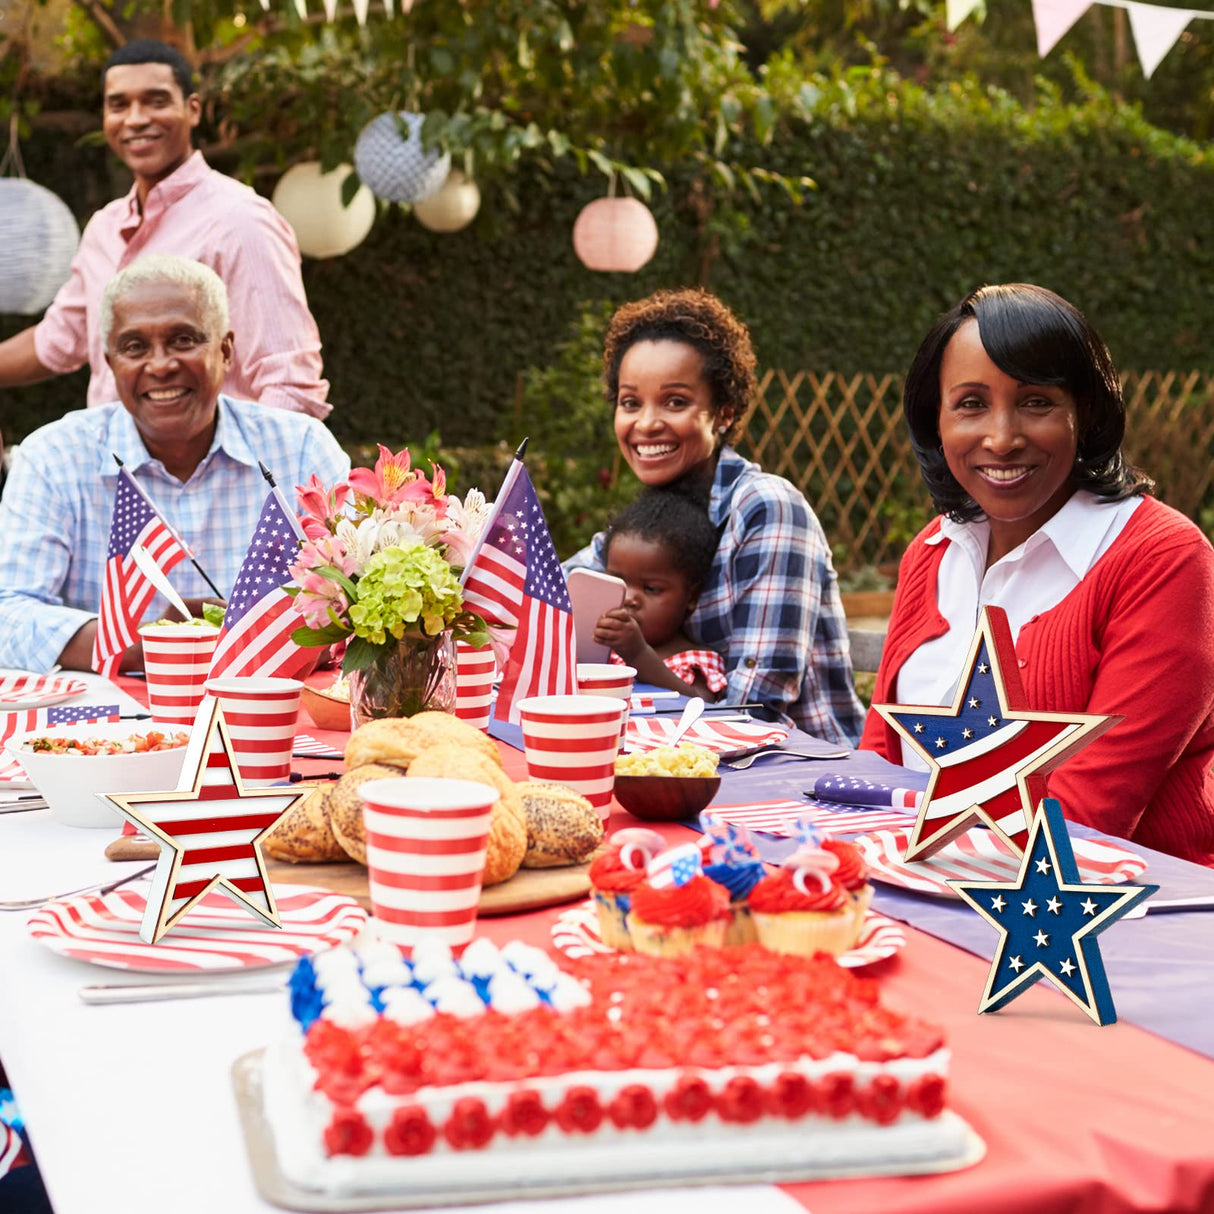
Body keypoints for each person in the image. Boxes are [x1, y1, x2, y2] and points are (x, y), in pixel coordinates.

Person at [860, 282, 1214, 866]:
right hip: (917, 885)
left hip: (1103, 920)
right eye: (971, 404)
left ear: (1087, 412)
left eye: (1036, 402)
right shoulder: (932, 549)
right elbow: (877, 763)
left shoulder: (1162, 559)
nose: (1002, 438)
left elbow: (1088, 815)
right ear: (936, 420)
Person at [0, 255, 350, 674]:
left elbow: (356, 594)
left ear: (225, 351)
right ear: (111, 364)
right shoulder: (54, 456)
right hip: (103, 732)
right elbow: (8, 613)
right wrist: (153, 644)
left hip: (271, 711)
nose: (161, 364)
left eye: (183, 340)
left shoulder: (300, 448)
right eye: (134, 347)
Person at [565, 288, 864, 746]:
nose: (646, 424)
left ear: (723, 413)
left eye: (675, 401)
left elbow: (756, 709)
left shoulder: (767, 511)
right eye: (630, 403)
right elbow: (549, 593)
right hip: (676, 752)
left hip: (801, 771)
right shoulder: (642, 524)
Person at [0, 39, 331, 419]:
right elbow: (58, 340)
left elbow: (291, 384)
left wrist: (241, 474)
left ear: (192, 110)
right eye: (119, 104)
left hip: (212, 475)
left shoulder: (240, 221)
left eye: (156, 101)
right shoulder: (104, 228)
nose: (136, 118)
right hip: (113, 473)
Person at [593, 489, 727, 701]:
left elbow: (701, 707)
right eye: (619, 582)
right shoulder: (601, 650)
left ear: (691, 597)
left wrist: (638, 654)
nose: (629, 598)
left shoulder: (695, 660)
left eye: (651, 588)